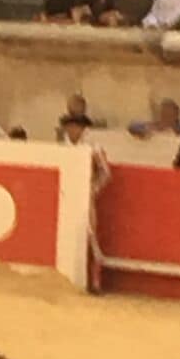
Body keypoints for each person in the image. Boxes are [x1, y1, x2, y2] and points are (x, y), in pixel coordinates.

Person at [61, 113, 111, 292]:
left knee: (90, 237)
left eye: (76, 126)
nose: (72, 130)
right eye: (69, 126)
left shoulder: (93, 148)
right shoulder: (63, 146)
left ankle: (95, 283)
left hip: (84, 197)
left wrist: (91, 190)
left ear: (83, 129)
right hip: (65, 196)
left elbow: (105, 173)